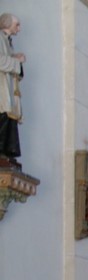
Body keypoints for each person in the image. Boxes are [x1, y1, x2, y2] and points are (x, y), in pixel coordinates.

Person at [0, 13, 25, 168]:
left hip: (8, 88)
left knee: (8, 118)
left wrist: (16, 59)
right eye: (17, 25)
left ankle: (6, 152)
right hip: (1, 89)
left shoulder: (8, 42)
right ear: (8, 24)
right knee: (2, 118)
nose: (19, 28)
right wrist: (16, 61)